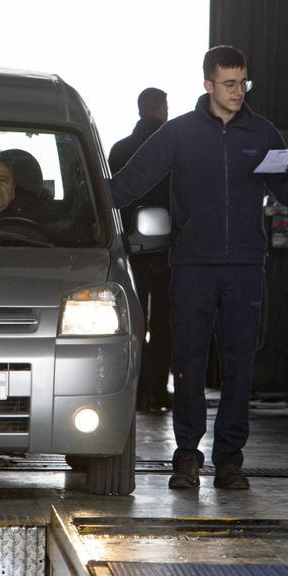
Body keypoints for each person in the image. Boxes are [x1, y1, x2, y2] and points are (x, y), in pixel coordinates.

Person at [109, 46, 288, 491]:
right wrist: (81, 201)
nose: (239, 91)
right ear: (208, 85)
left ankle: (230, 462)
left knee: (240, 365)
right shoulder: (179, 134)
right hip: (193, 267)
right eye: (229, 83)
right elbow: (129, 182)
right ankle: (186, 458)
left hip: (243, 266)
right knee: (188, 364)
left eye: (243, 82)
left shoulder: (261, 133)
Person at [109, 87, 172, 413]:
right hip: (168, 250)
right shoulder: (175, 146)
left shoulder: (120, 149)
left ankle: (131, 391)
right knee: (163, 322)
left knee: (132, 321)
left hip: (130, 249)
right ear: (161, 108)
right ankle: (157, 390)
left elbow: (111, 199)